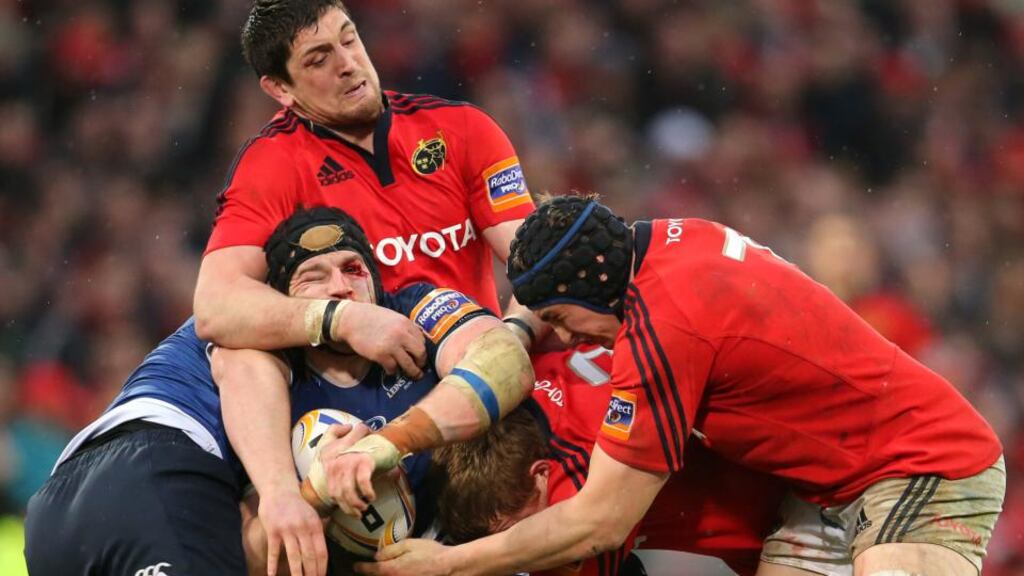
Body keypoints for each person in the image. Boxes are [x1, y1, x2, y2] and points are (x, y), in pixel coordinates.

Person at [359, 196, 1006, 576]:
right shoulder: (663, 244)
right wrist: (520, 326)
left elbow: (601, 523)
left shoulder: (665, 332)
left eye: (561, 316)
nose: (570, 337)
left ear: (589, 287)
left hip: (919, 463)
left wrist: (449, 565)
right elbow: (568, 242)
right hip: (823, 491)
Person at [193, 2, 542, 567]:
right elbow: (215, 306)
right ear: (280, 89)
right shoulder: (272, 166)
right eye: (318, 59)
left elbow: (538, 267)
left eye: (349, 39)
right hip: (348, 423)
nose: (349, 64)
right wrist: (342, 319)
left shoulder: (461, 130)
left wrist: (514, 335)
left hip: (470, 410)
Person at [23, 206, 533, 576]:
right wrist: (295, 493)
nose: (340, 286)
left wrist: (363, 461)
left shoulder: (413, 306)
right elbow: (240, 363)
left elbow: (501, 358)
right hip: (146, 471)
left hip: (65, 513)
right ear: (283, 300)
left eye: (353, 269)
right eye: (313, 277)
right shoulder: (261, 341)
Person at [434, 345, 788, 576]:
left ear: (541, 474)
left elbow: (583, 543)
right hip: (775, 449)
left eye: (514, 531)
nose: (517, 545)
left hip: (788, 508)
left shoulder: (574, 484)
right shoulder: (528, 376)